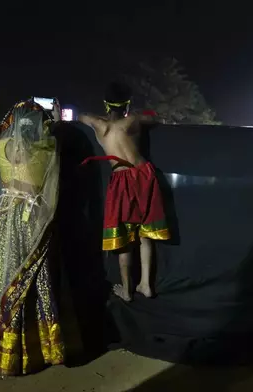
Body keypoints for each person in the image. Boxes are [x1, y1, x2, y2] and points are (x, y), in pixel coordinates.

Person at [0, 98, 65, 376]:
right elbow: (47, 191)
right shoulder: (46, 149)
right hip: (31, 221)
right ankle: (31, 350)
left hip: (3, 218)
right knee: (29, 281)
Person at [78, 82, 170, 302]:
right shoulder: (133, 121)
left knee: (124, 237)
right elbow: (156, 117)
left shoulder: (99, 125)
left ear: (106, 104)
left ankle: (127, 291)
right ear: (127, 104)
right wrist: (138, 112)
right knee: (145, 233)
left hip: (121, 180)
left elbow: (81, 116)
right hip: (144, 174)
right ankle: (146, 285)